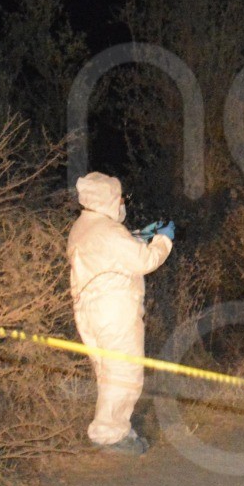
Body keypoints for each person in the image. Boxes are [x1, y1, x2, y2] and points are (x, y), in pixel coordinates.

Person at [67, 172, 174, 456]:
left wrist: (139, 235)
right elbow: (146, 261)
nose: (122, 202)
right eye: (120, 198)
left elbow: (112, 251)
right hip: (114, 311)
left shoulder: (84, 226)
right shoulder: (108, 231)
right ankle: (110, 435)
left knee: (108, 371)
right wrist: (163, 239)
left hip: (90, 311)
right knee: (124, 373)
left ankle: (111, 428)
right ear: (108, 199)